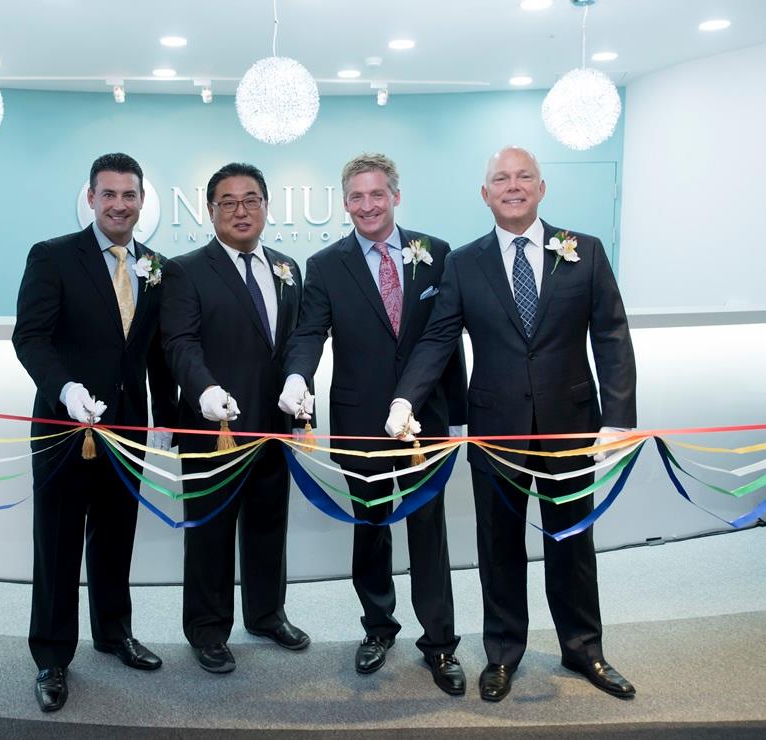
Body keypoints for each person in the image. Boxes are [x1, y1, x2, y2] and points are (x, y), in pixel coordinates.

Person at [386, 146, 637, 702]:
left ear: (542, 188)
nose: (513, 186)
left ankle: (584, 649)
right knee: (498, 546)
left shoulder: (586, 251)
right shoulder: (463, 262)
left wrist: (618, 419)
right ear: (486, 194)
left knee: (574, 543)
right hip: (496, 430)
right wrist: (406, 399)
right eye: (501, 178)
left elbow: (612, 336)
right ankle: (502, 652)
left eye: (524, 176)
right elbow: (438, 338)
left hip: (571, 427)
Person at [281, 153, 468, 696]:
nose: (367, 206)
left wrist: (456, 414)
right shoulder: (325, 265)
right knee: (371, 529)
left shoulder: (436, 253)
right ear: (345, 203)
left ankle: (440, 643)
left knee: (429, 532)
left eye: (377, 194)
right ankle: (378, 629)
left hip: (423, 421)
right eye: (357, 197)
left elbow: (447, 340)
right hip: (360, 421)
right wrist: (296, 377)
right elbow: (309, 334)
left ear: (395, 196)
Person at [13, 152, 177, 712]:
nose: (119, 205)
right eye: (108, 194)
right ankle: (52, 656)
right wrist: (65, 389)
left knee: (115, 537)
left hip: (127, 431)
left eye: (129, 195)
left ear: (142, 201)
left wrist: (164, 416)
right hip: (64, 429)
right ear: (90, 198)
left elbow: (157, 352)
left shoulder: (156, 266)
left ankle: (114, 633)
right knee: (58, 543)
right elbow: (30, 338)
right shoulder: (53, 256)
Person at [159, 162, 309, 674]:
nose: (240, 211)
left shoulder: (288, 267)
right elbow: (179, 342)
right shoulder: (186, 270)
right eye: (228, 202)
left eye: (251, 200)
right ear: (211, 210)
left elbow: (296, 342)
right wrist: (202, 389)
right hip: (213, 429)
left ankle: (267, 614)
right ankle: (207, 629)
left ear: (266, 206)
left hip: (272, 426)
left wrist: (300, 386)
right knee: (211, 534)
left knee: (269, 526)